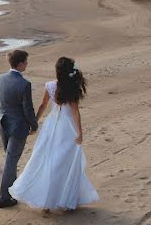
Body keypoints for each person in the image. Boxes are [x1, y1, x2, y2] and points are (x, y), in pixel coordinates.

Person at [9, 56, 99, 211]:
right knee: (65, 163)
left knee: (47, 159)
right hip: (67, 128)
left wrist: (35, 121)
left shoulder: (50, 85)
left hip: (51, 126)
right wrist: (80, 133)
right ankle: (63, 199)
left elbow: (43, 105)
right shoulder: (72, 87)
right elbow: (75, 112)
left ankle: (47, 200)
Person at [0, 49, 40, 208]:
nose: (27, 64)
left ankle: (11, 191)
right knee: (11, 161)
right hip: (18, 127)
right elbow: (28, 109)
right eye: (26, 61)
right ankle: (4, 198)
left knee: (10, 159)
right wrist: (34, 125)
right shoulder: (24, 84)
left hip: (2, 124)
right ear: (19, 64)